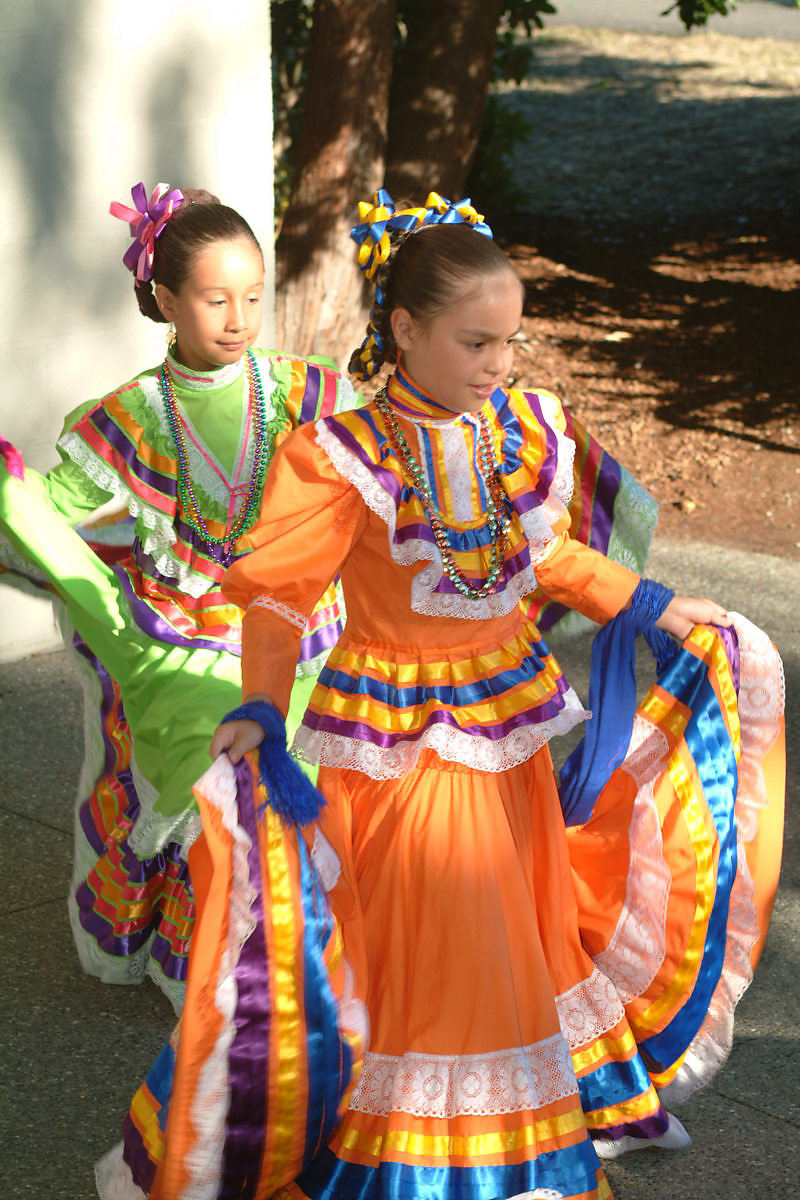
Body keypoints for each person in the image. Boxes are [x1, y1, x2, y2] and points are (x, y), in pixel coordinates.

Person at [99, 191, 785, 1200]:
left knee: (511, 929)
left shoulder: (519, 431)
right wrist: (255, 706)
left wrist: (649, 602)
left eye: (509, 341)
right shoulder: (341, 458)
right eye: (475, 342)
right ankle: (437, 1156)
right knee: (429, 945)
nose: (498, 364)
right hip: (394, 742)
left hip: (504, 730)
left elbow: (544, 555)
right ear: (405, 330)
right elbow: (282, 601)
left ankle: (517, 1127)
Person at [0, 181, 357, 1010]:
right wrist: (18, 493)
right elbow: (56, 509)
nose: (239, 319)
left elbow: (371, 469)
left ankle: (302, 945)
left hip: (298, 623)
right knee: (209, 760)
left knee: (319, 760)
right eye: (214, 299)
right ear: (164, 299)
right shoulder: (133, 415)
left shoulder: (304, 391)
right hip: (180, 633)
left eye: (254, 298)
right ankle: (217, 957)